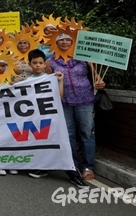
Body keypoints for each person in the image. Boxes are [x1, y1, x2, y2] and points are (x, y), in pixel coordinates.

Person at [46, 32, 105, 187]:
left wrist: (100, 82)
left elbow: (97, 78)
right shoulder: (50, 61)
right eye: (61, 40)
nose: (64, 42)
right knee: (68, 135)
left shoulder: (84, 58)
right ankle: (72, 165)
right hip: (63, 102)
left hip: (85, 101)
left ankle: (87, 167)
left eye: (68, 40)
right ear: (56, 43)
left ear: (73, 42)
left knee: (87, 133)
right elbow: (45, 82)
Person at [24, 49, 66, 181]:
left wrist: (60, 82)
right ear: (29, 64)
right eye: (35, 62)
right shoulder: (27, 80)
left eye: (40, 63)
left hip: (48, 116)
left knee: (48, 140)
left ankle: (53, 166)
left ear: (44, 64)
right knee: (35, 140)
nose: (37, 65)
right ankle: (38, 166)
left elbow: (59, 96)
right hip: (34, 117)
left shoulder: (51, 78)